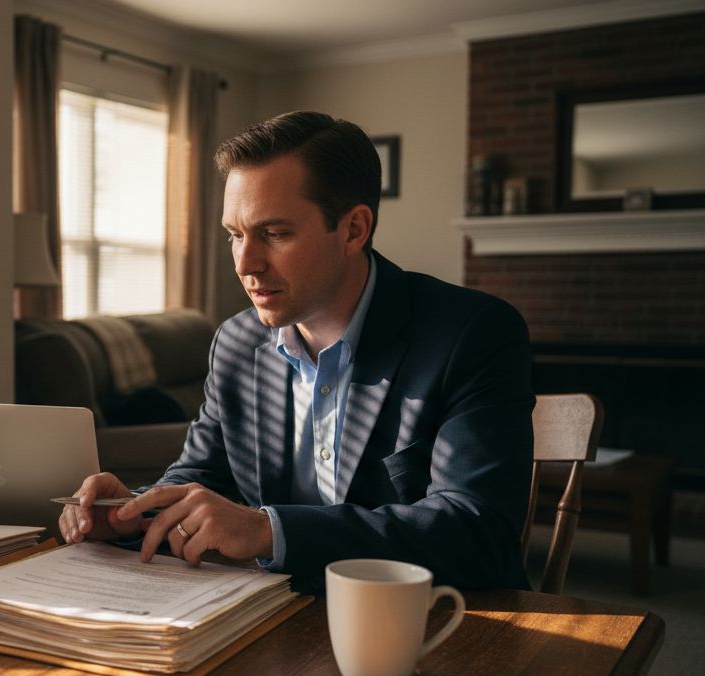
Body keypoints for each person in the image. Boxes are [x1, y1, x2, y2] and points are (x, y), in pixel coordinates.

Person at [59, 111, 534, 593]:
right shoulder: (236, 343)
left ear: (353, 229)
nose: (246, 264)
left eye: (274, 233)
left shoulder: (471, 333)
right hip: (274, 621)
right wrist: (130, 513)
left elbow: (476, 534)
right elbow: (201, 478)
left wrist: (268, 530)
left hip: (439, 625)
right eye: (235, 234)